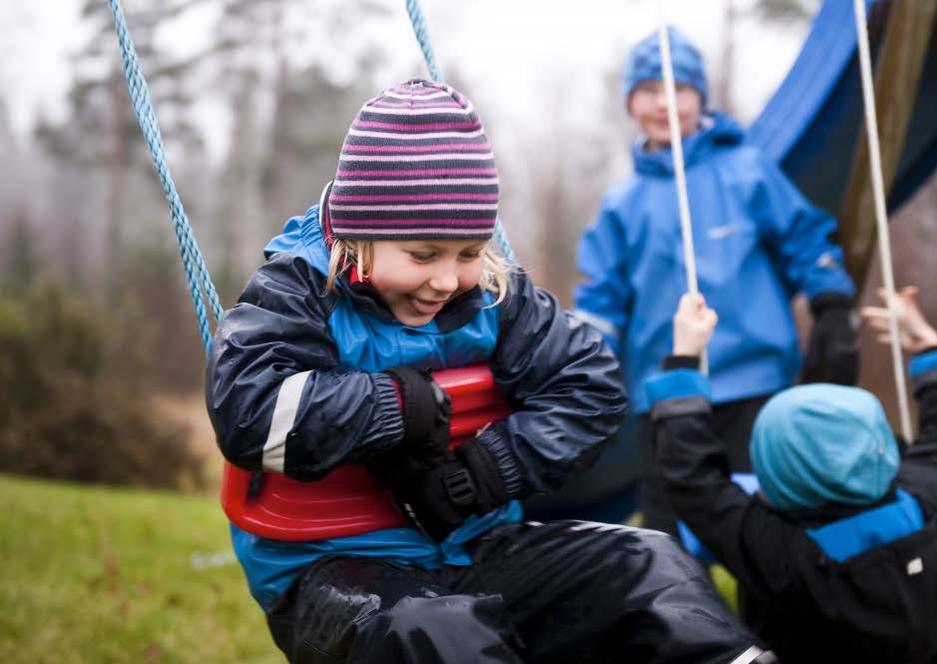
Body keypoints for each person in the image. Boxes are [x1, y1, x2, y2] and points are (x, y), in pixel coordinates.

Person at [206, 79, 775, 664]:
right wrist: (392, 407)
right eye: (423, 256)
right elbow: (246, 412)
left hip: (476, 542)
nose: (448, 280)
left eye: (470, 252)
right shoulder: (298, 292)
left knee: (652, 570)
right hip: (334, 568)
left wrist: (483, 473)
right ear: (358, 234)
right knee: (434, 633)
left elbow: (592, 385)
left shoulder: (499, 299)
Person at [573, 26, 859, 535]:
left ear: (700, 95)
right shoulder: (623, 203)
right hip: (666, 388)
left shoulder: (747, 170)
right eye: (649, 90)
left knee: (769, 526)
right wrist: (581, 363)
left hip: (756, 381)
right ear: (630, 102)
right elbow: (602, 297)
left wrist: (831, 304)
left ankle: (765, 617)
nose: (665, 103)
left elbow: (807, 239)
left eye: (678, 88)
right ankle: (680, 617)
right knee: (666, 536)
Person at [643, 285, 937, 662]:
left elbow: (692, 478)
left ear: (773, 481)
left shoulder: (781, 555)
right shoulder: (928, 499)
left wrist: (685, 357)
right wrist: (930, 346)